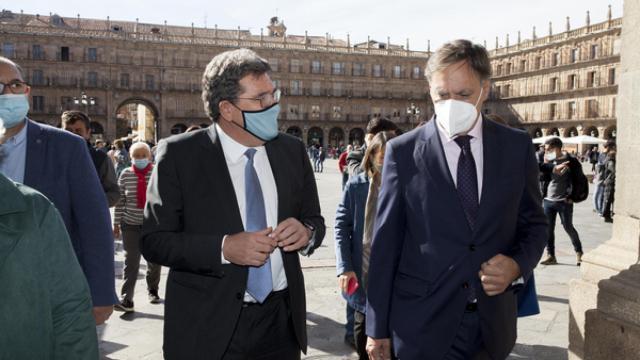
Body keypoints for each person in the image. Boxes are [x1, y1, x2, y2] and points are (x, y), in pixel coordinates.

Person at [365, 40, 548, 360]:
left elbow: (534, 223)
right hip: (421, 325)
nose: (452, 103)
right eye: (442, 95)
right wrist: (376, 327)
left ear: (485, 89)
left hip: (491, 327)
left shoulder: (516, 147)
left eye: (463, 94)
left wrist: (517, 264)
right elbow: (385, 246)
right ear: (430, 92)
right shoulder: (403, 152)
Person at [141, 48, 325, 360]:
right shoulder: (179, 156)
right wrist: (223, 249)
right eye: (261, 99)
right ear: (227, 109)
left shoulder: (291, 151)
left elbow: (315, 219)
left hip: (280, 324)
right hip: (208, 326)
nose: (273, 105)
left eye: (273, 94)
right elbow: (155, 241)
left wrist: (306, 232)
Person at [0, 56, 116, 325]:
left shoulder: (66, 147)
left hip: (45, 293)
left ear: (27, 92)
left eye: (15, 85)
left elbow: (94, 223)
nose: (8, 93)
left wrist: (100, 294)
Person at [335, 131, 396, 360]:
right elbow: (341, 226)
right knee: (363, 342)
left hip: (394, 281)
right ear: (371, 156)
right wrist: (345, 267)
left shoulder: (405, 186)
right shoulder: (356, 185)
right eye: (382, 158)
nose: (387, 164)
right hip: (363, 276)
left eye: (392, 158)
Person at [113, 142, 162, 312]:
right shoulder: (125, 174)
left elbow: (164, 199)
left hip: (153, 225)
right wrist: (116, 223)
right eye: (136, 156)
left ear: (149, 156)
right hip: (130, 224)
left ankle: (153, 290)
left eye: (143, 155)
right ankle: (127, 299)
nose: (140, 159)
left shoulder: (157, 173)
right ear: (131, 157)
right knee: (131, 260)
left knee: (154, 260)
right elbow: (120, 202)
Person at [539, 137, 584, 266]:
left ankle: (579, 252)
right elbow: (542, 178)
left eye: (548, 149)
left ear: (557, 148)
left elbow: (579, 181)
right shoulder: (549, 161)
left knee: (568, 227)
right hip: (548, 200)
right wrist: (547, 165)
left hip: (564, 201)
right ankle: (551, 255)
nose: (546, 152)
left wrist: (573, 197)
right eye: (545, 150)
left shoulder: (572, 161)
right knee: (548, 229)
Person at [62, 110, 120, 207]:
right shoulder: (53, 156)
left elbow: (114, 193)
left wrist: (91, 203)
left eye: (78, 131)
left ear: (88, 133)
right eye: (68, 131)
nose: (72, 135)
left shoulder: (101, 159)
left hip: (90, 219)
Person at [602, 141, 616, 223]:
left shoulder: (607, 155)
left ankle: (606, 214)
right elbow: (612, 169)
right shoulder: (610, 157)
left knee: (608, 198)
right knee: (608, 198)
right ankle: (606, 215)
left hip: (608, 180)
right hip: (610, 180)